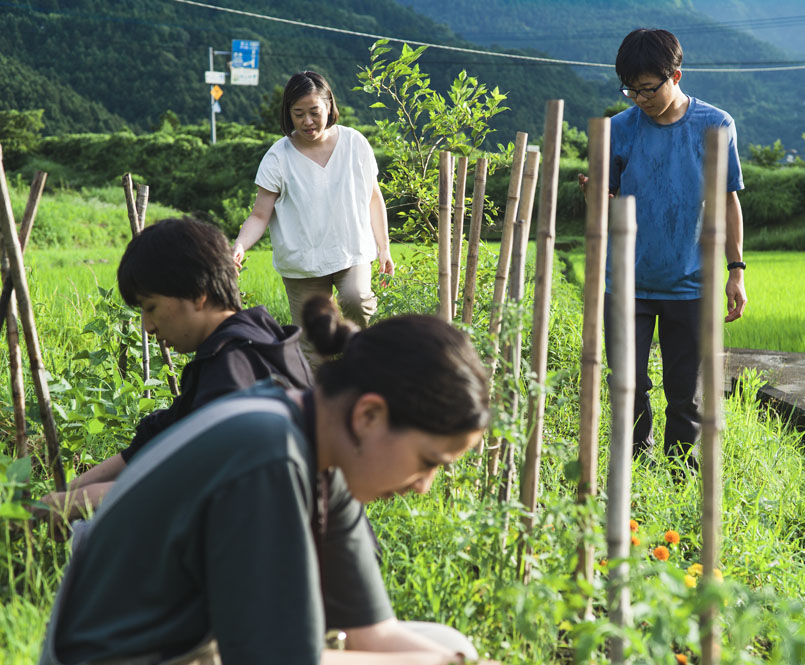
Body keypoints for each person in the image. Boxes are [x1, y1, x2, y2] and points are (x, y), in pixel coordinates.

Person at [39, 298, 496, 665]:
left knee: (448, 643)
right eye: (428, 461)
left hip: (194, 646)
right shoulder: (269, 455)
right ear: (369, 416)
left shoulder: (319, 442)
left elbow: (373, 633)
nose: (424, 486)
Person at [40, 217, 312, 523]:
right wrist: (62, 495)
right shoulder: (253, 339)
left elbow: (198, 480)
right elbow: (165, 434)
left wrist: (78, 502)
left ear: (197, 294)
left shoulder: (236, 366)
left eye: (151, 307)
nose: (148, 326)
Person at [581, 28, 747, 459]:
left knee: (684, 393)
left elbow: (729, 201)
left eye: (648, 88)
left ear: (676, 74)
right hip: (626, 282)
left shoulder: (715, 125)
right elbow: (607, 202)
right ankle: (636, 461)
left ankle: (678, 473)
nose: (640, 99)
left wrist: (736, 271)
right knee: (627, 383)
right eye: (631, 90)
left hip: (692, 283)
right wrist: (595, 196)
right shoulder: (619, 128)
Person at [233, 70, 394, 368]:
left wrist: (383, 247)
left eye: (314, 112)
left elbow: (373, 198)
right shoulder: (277, 157)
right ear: (288, 114)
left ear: (329, 106)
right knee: (312, 348)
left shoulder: (355, 143)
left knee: (357, 299)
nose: (307, 121)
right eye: (298, 114)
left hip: (351, 250)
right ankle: (319, 405)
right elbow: (259, 214)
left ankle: (359, 370)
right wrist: (240, 245)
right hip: (302, 262)